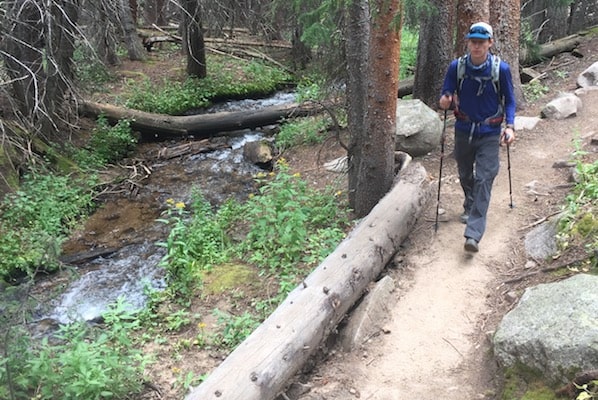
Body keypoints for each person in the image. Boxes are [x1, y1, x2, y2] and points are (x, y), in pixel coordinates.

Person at [439, 21, 516, 253]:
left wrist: (510, 126)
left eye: (482, 42)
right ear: (468, 42)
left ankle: (473, 233)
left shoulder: (500, 69)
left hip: (490, 132)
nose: (477, 46)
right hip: (463, 129)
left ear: (490, 43)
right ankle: (469, 202)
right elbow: (446, 91)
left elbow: (510, 100)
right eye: (473, 41)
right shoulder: (457, 67)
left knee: (485, 178)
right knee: (464, 172)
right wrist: (445, 100)